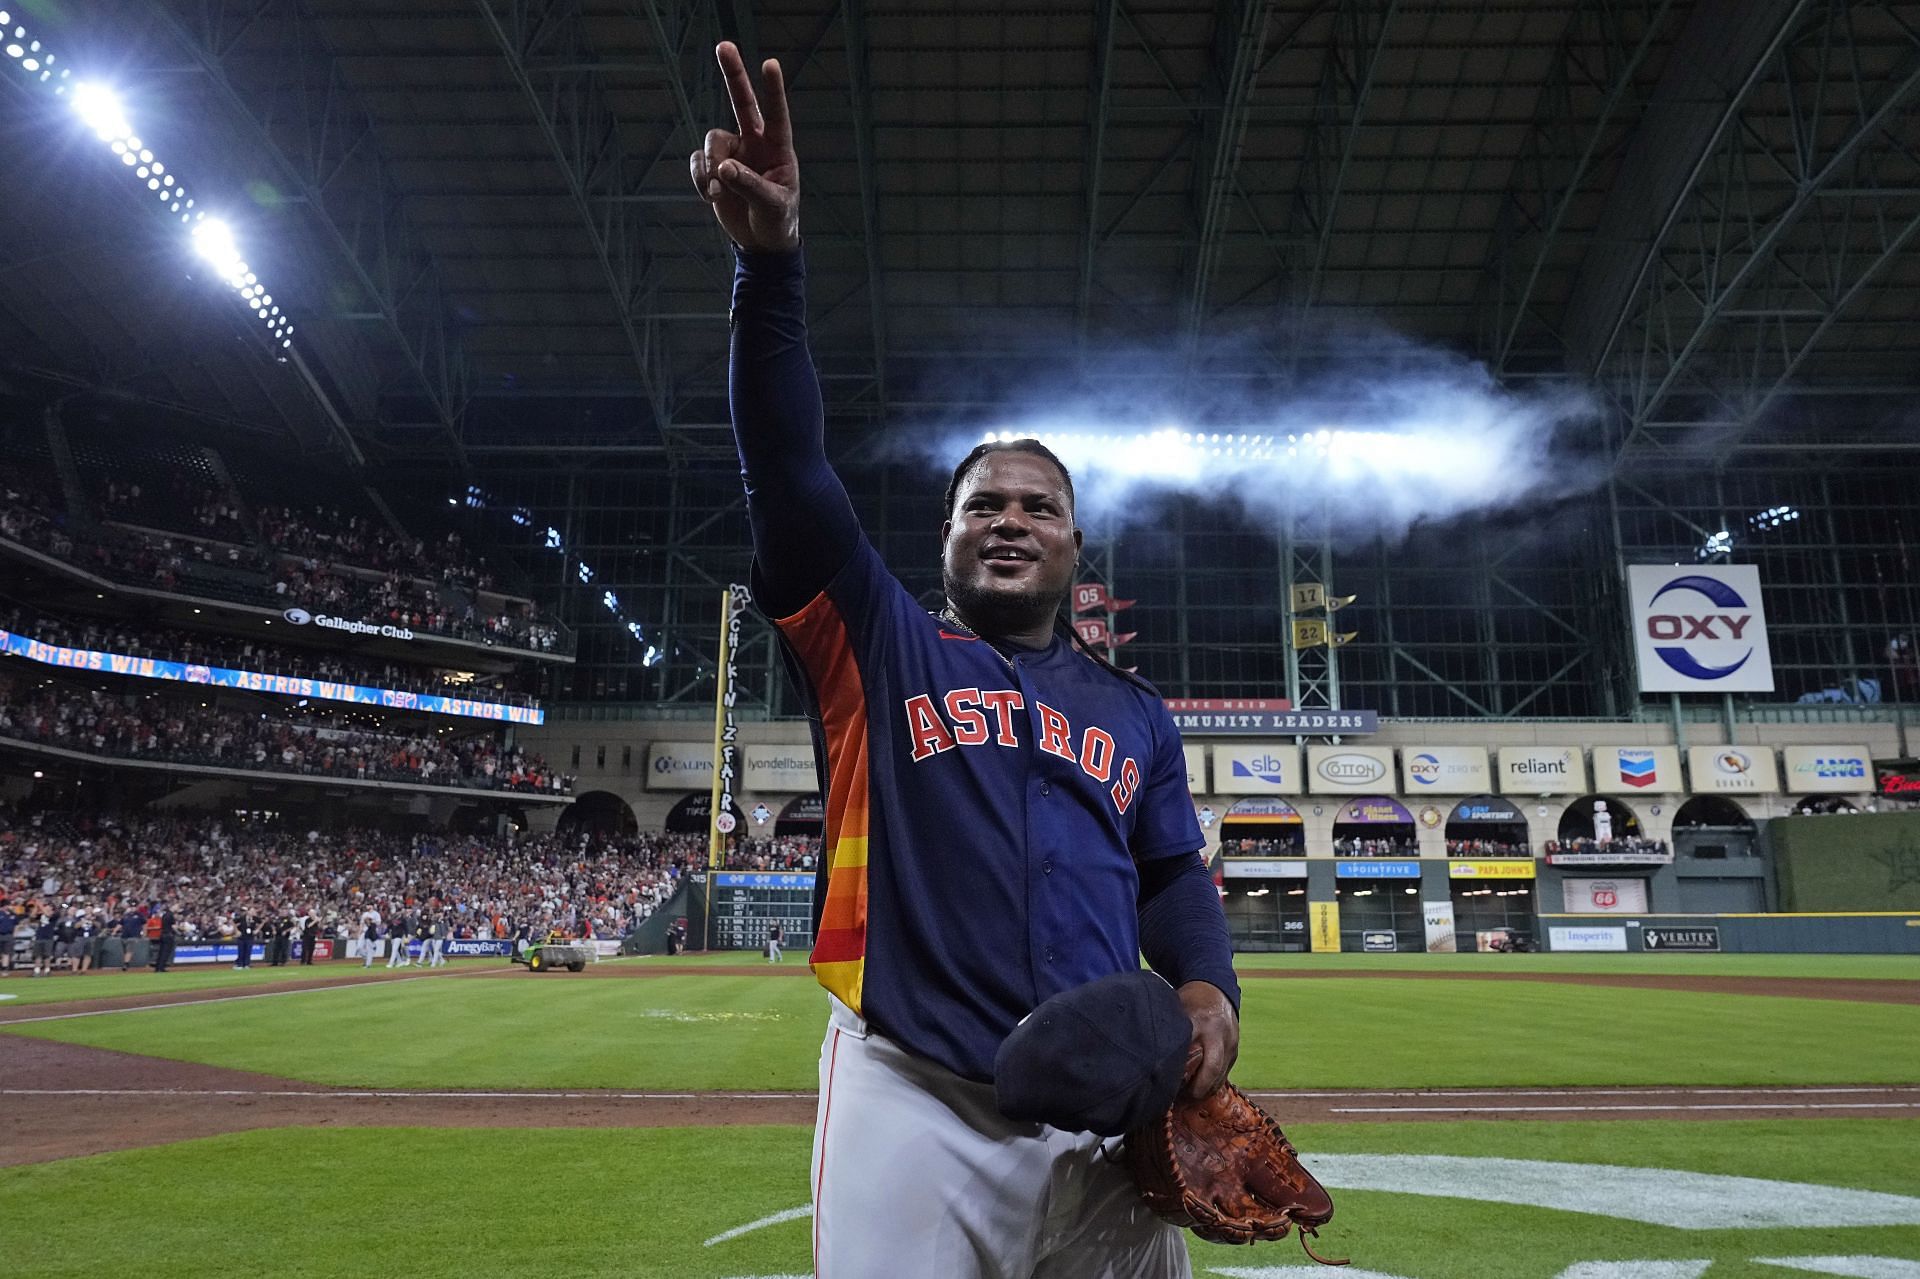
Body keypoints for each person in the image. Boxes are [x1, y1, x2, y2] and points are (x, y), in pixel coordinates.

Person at [692, 44, 1239, 1278]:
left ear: (1077, 550)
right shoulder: (879, 646)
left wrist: (1210, 994)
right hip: (918, 1098)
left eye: (1039, 507)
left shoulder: (1136, 715)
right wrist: (769, 272)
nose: (1009, 518)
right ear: (942, 539)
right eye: (982, 502)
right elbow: (787, 472)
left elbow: (1171, 877)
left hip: (1115, 1117)